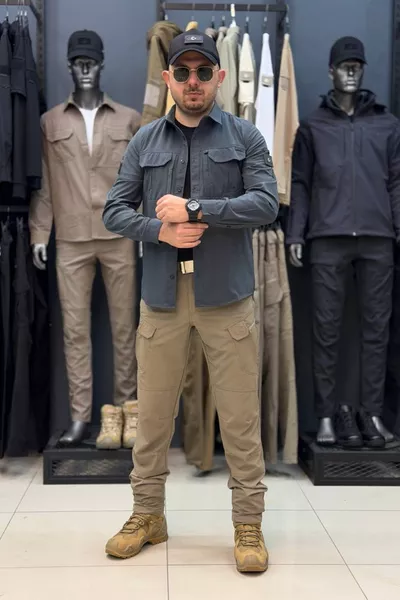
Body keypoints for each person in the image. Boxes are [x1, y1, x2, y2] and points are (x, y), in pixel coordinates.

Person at [102, 29, 279, 574]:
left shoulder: (245, 135)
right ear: (170, 78)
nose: (193, 81)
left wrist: (197, 209)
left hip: (226, 299)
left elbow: (266, 204)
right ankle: (147, 515)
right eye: (183, 72)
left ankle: (248, 523)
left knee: (241, 419)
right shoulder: (145, 141)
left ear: (220, 77)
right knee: (153, 417)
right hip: (162, 298)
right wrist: (160, 229)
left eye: (203, 72)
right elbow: (114, 210)